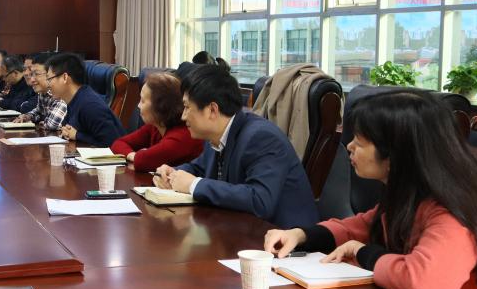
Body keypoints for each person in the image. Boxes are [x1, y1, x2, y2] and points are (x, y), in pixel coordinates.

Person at [263, 91, 477, 289]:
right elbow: (361, 226)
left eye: (360, 142)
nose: (349, 146)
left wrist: (362, 253)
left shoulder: (453, 211)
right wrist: (300, 235)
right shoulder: (410, 195)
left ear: (396, 154)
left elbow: (423, 283)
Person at [155, 64, 318, 228]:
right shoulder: (216, 134)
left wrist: (193, 184)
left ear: (212, 110)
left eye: (187, 107)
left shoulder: (261, 137)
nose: (183, 116)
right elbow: (199, 168)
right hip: (241, 230)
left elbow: (260, 201)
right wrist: (173, 173)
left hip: (285, 237)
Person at [110, 72, 202, 172]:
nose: (138, 106)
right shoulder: (156, 125)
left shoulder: (183, 136)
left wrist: (138, 156)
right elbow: (118, 143)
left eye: (143, 101)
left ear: (161, 106)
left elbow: (142, 161)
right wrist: (134, 155)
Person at [46, 53, 125, 146]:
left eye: (49, 79)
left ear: (65, 77)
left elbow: (112, 142)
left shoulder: (89, 105)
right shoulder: (74, 99)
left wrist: (77, 135)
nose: (48, 85)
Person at [14, 52, 67, 132]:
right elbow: (39, 111)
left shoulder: (59, 93)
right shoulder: (42, 92)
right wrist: (27, 117)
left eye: (37, 74)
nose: (32, 79)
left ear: (50, 73)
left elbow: (52, 125)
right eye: (32, 74)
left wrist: (43, 122)